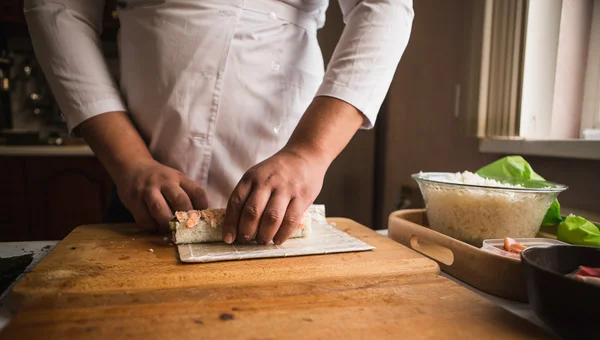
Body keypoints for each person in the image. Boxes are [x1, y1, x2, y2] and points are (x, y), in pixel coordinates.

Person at [24, 0, 413, 245]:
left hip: (287, 193)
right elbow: (58, 8)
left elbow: (384, 4)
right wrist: (130, 162)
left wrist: (309, 152)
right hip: (139, 189)